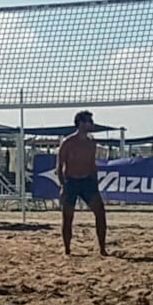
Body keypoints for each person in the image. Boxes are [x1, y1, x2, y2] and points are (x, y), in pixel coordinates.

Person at [57, 110, 108, 256]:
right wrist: (62, 186)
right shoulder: (68, 143)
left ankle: (102, 248)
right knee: (68, 217)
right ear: (80, 123)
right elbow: (59, 166)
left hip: (87, 181)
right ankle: (67, 249)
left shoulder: (91, 143)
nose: (91, 124)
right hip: (71, 182)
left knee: (100, 212)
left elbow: (92, 165)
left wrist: (95, 184)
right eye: (89, 121)